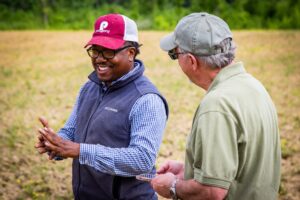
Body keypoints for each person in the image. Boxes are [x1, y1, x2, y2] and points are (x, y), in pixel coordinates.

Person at [34, 13, 168, 200]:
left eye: (108, 51)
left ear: (130, 53)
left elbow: (142, 160)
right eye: (95, 50)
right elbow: (72, 132)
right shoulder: (89, 87)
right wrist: (56, 143)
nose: (99, 58)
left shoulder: (146, 99)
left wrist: (79, 150)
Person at [151, 12, 281, 200]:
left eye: (174, 54)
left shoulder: (216, 105)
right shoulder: (254, 86)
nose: (176, 60)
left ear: (191, 61)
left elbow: (212, 192)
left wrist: (173, 186)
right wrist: (190, 171)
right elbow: (240, 169)